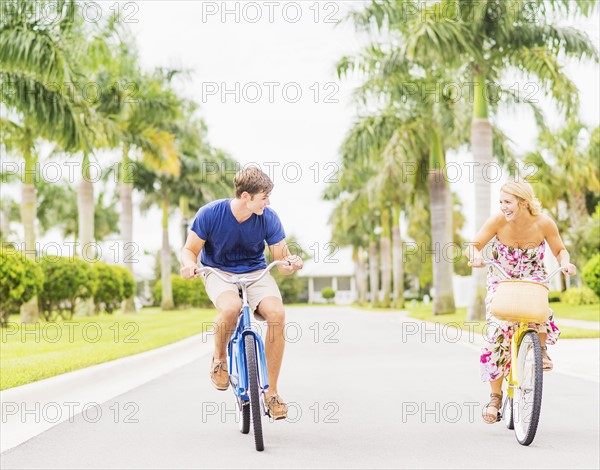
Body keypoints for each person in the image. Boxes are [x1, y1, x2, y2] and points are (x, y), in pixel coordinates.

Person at [180, 166, 303, 420]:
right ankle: (219, 358)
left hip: (255, 273)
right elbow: (190, 250)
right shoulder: (210, 214)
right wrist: (189, 265)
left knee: (277, 314)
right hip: (219, 273)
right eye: (264, 197)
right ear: (246, 196)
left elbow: (281, 258)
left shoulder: (268, 217)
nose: (267, 202)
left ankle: (271, 393)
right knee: (231, 308)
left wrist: (291, 263)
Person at [465, 180, 576, 424]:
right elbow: (474, 246)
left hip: (532, 278)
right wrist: (475, 257)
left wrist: (565, 263)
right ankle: (495, 397)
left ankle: (541, 351)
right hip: (501, 280)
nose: (503, 207)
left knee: (541, 311)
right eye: (501, 202)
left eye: (508, 202)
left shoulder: (544, 223)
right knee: (496, 334)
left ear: (523, 202)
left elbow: (560, 250)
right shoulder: (497, 221)